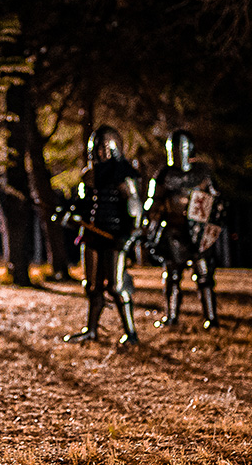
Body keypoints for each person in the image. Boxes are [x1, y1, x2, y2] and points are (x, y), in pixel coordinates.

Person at [60, 125, 143, 345]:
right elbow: (83, 205)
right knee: (92, 286)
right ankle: (91, 330)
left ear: (114, 148)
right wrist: (70, 215)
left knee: (116, 287)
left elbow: (134, 207)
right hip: (91, 235)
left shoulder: (123, 174)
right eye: (96, 148)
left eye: (104, 148)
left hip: (114, 237)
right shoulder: (89, 175)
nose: (99, 152)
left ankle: (131, 333)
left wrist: (129, 236)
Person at [144, 130, 224, 330]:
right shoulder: (163, 175)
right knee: (172, 275)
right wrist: (151, 219)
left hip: (198, 233)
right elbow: (153, 203)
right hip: (173, 231)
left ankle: (211, 317)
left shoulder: (202, 173)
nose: (179, 153)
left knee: (204, 275)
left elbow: (215, 200)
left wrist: (212, 218)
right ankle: (171, 316)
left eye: (182, 148)